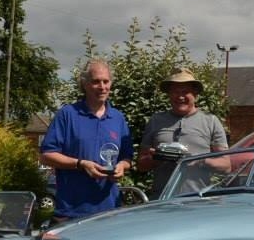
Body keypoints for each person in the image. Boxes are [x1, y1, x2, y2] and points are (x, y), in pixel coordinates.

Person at [39, 59, 133, 221]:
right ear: (85, 84)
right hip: (71, 211)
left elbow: (127, 157)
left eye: (106, 81)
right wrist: (81, 164)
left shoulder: (118, 118)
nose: (102, 87)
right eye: (96, 82)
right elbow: (47, 155)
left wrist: (121, 167)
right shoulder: (67, 114)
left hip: (110, 210)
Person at [138, 68, 229, 196]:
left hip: (198, 200)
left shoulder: (211, 121)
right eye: (175, 92)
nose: (180, 96)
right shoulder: (156, 121)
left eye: (185, 92)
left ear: (195, 94)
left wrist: (200, 161)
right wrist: (157, 158)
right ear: (169, 94)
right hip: (162, 199)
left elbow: (226, 165)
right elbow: (141, 165)